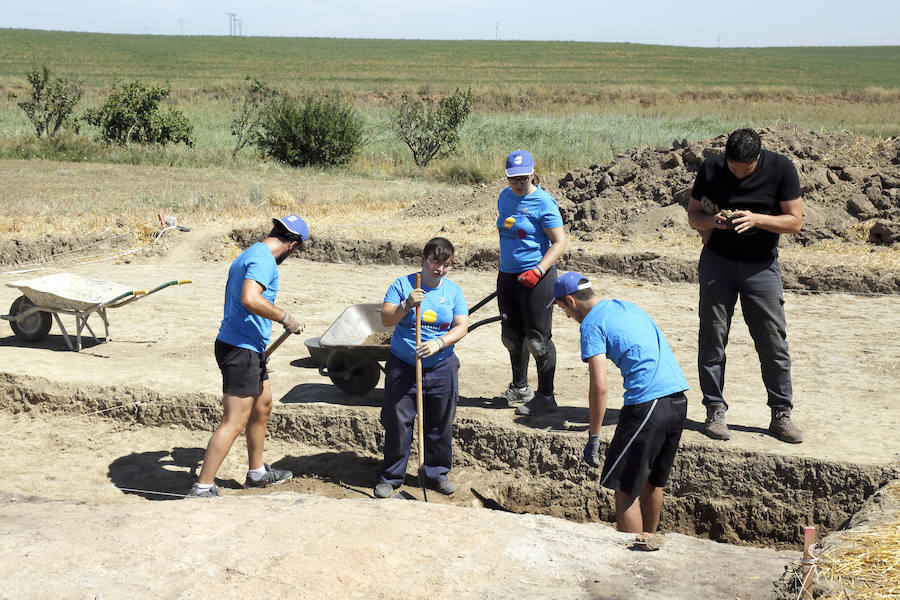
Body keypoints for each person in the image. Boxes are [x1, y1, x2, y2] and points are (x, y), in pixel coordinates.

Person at [549, 271, 688, 543]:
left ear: (570, 301)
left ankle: (631, 563)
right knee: (651, 482)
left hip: (647, 404)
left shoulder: (591, 324)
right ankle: (649, 543)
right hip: (678, 400)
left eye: (562, 308)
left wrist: (594, 435)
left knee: (624, 489)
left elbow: (599, 387)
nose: (566, 315)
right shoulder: (625, 306)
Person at [687, 128, 804, 444]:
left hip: (761, 266)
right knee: (712, 336)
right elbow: (694, 215)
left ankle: (781, 414)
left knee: (772, 340)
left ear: (758, 159)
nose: (737, 175)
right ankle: (714, 410)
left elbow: (794, 221)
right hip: (717, 261)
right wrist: (714, 222)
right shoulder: (712, 167)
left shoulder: (781, 168)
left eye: (745, 171)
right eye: (732, 168)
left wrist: (756, 219)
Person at [187, 215, 309, 498]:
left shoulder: (251, 252)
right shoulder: (264, 260)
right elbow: (250, 298)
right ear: (293, 245)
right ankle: (203, 487)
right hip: (240, 349)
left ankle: (257, 473)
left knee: (262, 405)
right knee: (235, 420)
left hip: (246, 346)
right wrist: (285, 317)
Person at [374, 237, 469, 499]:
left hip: (441, 366)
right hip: (403, 365)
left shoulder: (453, 292)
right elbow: (385, 319)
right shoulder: (402, 285)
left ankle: (436, 473)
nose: (439, 269)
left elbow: (462, 326)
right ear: (423, 260)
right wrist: (406, 305)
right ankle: (391, 477)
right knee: (398, 421)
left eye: (446, 265)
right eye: (434, 262)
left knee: (440, 422)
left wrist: (440, 343)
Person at [496, 149, 568, 416]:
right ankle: (519, 387)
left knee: (538, 340)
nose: (518, 183)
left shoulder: (544, 203)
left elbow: (558, 242)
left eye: (524, 178)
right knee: (512, 337)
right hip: (508, 275)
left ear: (533, 173)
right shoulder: (504, 198)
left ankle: (546, 397)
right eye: (513, 178)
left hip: (537, 278)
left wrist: (538, 270)